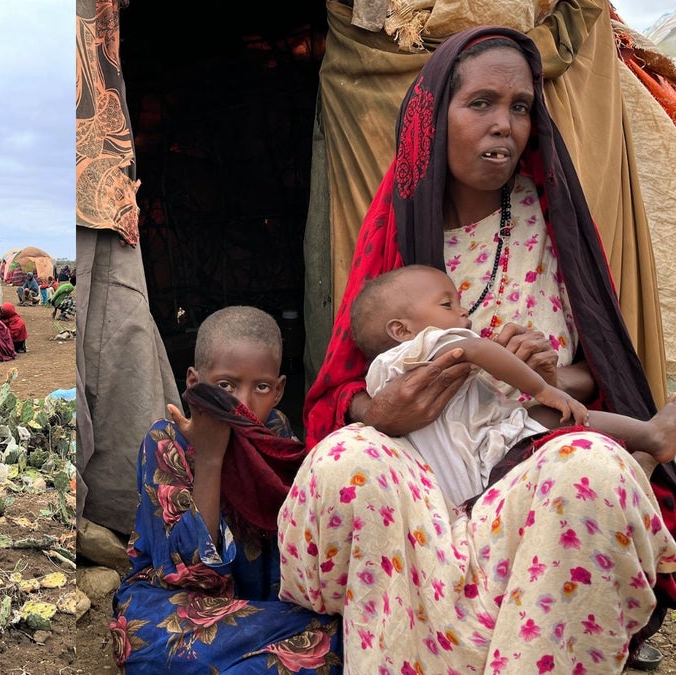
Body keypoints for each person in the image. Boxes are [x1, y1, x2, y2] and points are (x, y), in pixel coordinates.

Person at [277, 27, 676, 672]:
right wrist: (382, 414)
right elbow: (337, 398)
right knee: (352, 457)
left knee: (593, 470)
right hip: (416, 491)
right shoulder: (397, 232)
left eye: (521, 107)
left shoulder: (554, 225)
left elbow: (594, 378)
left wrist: (549, 375)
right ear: (436, 118)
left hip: (520, 481)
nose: (504, 126)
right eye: (481, 103)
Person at [112, 306, 341, 672]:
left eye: (261, 387)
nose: (243, 404)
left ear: (280, 390)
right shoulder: (165, 440)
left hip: (263, 602)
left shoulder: (277, 434)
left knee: (339, 631)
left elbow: (299, 531)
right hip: (176, 599)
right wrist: (211, 459)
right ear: (193, 382)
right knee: (148, 641)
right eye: (225, 386)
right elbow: (186, 573)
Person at [353, 265, 676, 506]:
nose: (463, 310)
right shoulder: (428, 342)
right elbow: (479, 349)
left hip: (448, 486)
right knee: (549, 415)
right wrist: (544, 389)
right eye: (447, 304)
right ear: (401, 329)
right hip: (488, 451)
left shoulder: (379, 375)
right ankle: (651, 435)